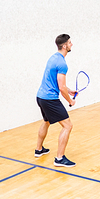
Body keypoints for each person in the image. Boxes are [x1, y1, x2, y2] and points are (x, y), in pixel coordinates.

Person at [35, 34, 78, 167]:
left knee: (46, 121)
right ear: (64, 45)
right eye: (70, 43)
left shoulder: (53, 58)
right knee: (67, 126)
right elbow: (61, 87)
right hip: (50, 100)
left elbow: (55, 82)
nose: (71, 44)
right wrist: (70, 101)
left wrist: (68, 90)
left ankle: (39, 149)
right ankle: (59, 158)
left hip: (40, 97)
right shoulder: (62, 63)